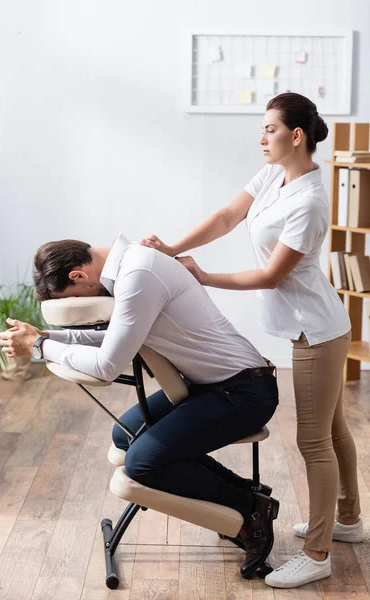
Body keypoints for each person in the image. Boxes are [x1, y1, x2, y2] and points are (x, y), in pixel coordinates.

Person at [140, 92, 363, 589]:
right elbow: (226, 216)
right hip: (315, 324)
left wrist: (204, 276)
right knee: (334, 429)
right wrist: (176, 248)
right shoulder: (273, 176)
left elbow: (271, 275)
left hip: (317, 332)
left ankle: (318, 551)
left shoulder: (308, 200)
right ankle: (347, 520)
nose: (261, 137)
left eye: (269, 129)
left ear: (296, 135)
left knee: (314, 440)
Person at [0, 232, 279, 578]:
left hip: (244, 391)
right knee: (125, 434)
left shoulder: (138, 275)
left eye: (74, 296)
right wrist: (46, 336)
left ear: (78, 276)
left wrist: (40, 347)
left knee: (142, 461)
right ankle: (248, 490)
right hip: (208, 383)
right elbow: (116, 336)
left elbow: (106, 364)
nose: (82, 306)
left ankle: (250, 510)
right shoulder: (131, 267)